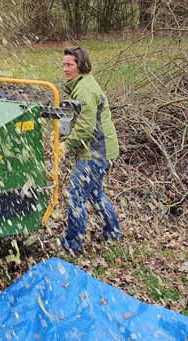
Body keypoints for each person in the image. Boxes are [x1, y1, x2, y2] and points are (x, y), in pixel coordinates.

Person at [59, 47, 122, 255]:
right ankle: (113, 232)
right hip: (101, 148)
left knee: (76, 196)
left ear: (81, 65)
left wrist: (65, 146)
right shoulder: (81, 84)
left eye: (70, 64)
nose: (65, 69)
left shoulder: (84, 89)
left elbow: (86, 127)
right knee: (95, 193)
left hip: (95, 151)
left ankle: (72, 243)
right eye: (64, 64)